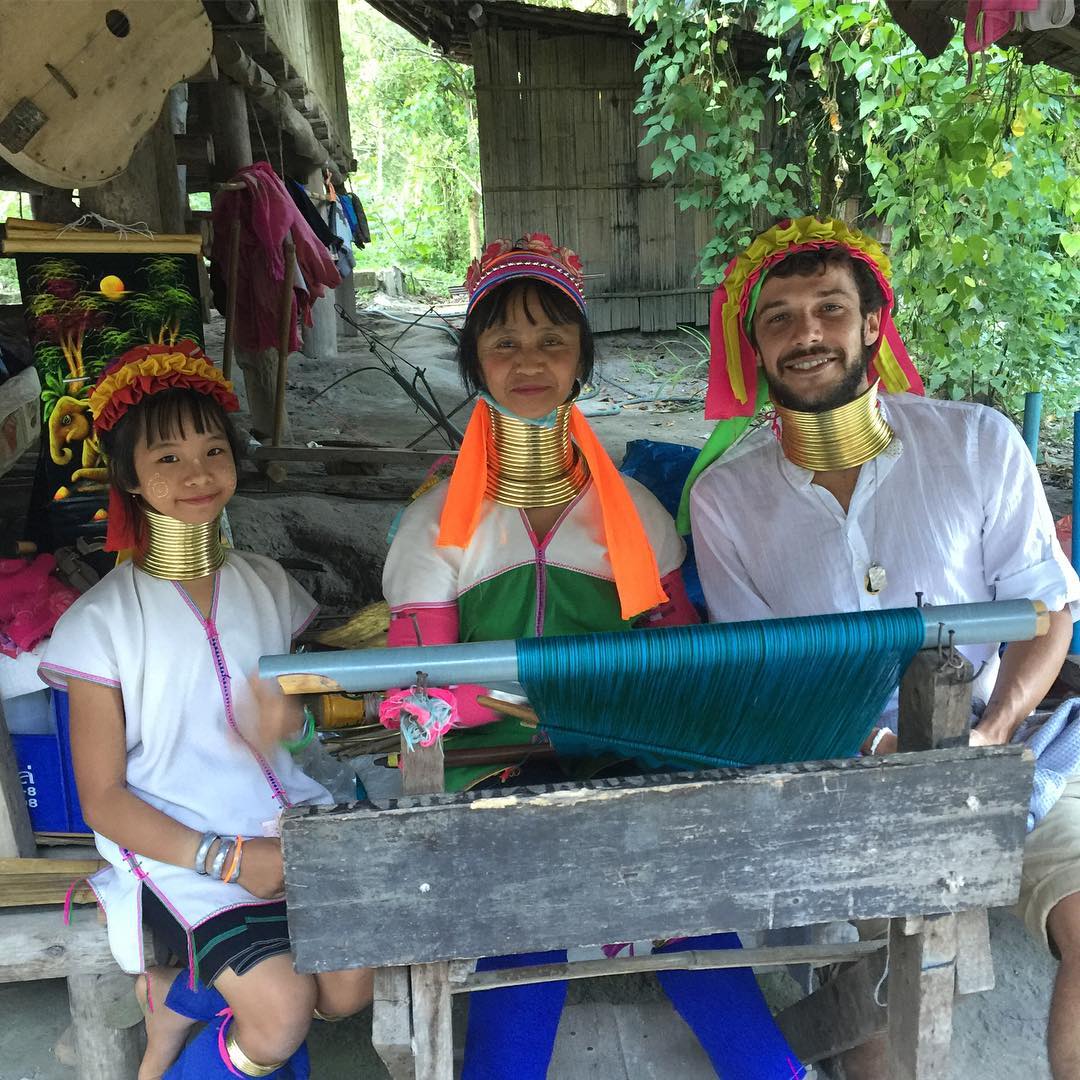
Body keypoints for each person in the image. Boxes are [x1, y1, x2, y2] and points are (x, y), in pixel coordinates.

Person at [382, 234, 803, 1079]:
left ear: (582, 359)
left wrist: (580, 706)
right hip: (487, 771)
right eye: (504, 341)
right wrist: (561, 699)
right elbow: (418, 694)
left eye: (552, 339)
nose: (528, 361)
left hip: (621, 760)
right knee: (526, 903)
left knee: (680, 894)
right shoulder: (432, 528)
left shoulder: (637, 516)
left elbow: (678, 667)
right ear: (474, 361)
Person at [686, 215, 1080, 1078]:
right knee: (878, 996)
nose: (807, 333)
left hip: (1008, 746)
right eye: (779, 317)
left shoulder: (977, 442)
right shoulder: (723, 500)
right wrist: (879, 748)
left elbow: (1047, 611)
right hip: (838, 768)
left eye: (830, 308)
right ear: (755, 345)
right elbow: (763, 674)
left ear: (872, 325)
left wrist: (992, 735)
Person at [39, 342, 372, 1080]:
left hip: (291, 824)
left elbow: (296, 722)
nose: (197, 473)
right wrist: (229, 859)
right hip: (181, 849)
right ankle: (200, 1032)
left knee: (349, 991)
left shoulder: (268, 584)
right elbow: (102, 798)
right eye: (167, 458)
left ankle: (180, 997)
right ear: (129, 477)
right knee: (282, 1016)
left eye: (213, 450)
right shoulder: (100, 625)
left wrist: (296, 720)